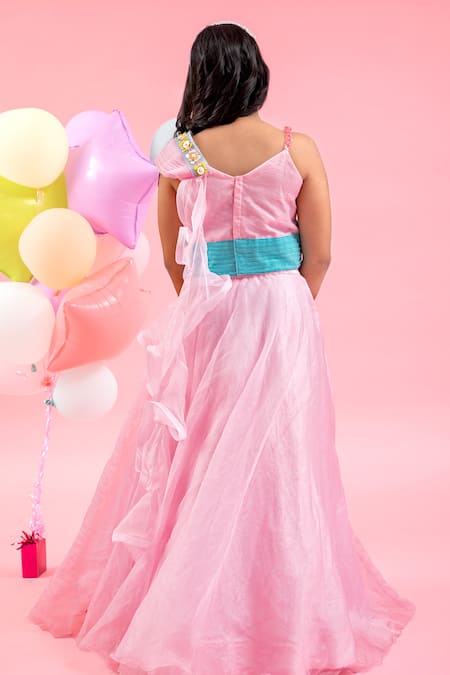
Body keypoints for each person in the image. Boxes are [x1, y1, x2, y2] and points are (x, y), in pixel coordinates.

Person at [29, 22, 416, 675]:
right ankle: (281, 603)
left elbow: (177, 256)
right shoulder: (298, 148)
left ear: (201, 76)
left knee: (202, 444)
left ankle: (186, 596)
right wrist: (291, 302)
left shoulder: (181, 155)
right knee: (281, 450)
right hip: (282, 304)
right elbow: (320, 251)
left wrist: (208, 302)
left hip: (210, 308)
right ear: (256, 73)